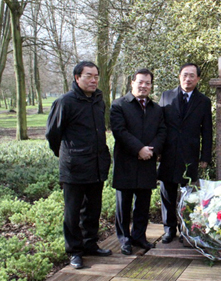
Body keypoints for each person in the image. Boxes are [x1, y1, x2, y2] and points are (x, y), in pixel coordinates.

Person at [46, 61, 112, 269]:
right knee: (73, 212)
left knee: (93, 209)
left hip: (97, 165)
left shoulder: (99, 101)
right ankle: (74, 251)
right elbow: (53, 134)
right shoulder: (65, 102)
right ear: (77, 78)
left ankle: (90, 244)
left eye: (96, 76)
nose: (93, 80)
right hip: (74, 167)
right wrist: (66, 154)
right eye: (88, 76)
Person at [110, 68, 167, 255]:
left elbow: (162, 131)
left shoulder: (156, 108)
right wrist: (139, 149)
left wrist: (152, 149)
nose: (144, 86)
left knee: (143, 204)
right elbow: (120, 131)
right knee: (123, 205)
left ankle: (139, 237)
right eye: (140, 82)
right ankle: (124, 239)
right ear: (132, 82)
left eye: (148, 83)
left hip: (147, 162)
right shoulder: (119, 105)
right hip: (126, 161)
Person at [158, 63, 213, 244]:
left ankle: (186, 229)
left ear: (197, 79)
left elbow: (207, 131)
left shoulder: (203, 101)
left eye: (192, 76)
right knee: (167, 194)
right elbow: (158, 125)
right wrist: (157, 150)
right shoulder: (166, 96)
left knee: (189, 196)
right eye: (184, 75)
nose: (187, 79)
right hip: (167, 153)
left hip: (189, 155)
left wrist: (205, 157)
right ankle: (168, 229)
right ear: (179, 76)